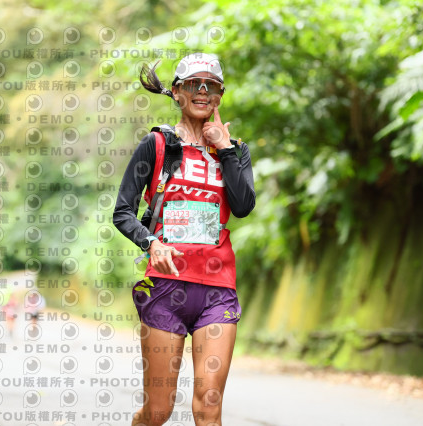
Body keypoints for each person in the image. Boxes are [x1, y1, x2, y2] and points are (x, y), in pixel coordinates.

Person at [113, 52, 256, 426]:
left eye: (212, 85)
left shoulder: (235, 150)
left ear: (220, 96)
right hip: (165, 288)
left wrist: (225, 148)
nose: (203, 91)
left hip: (217, 290)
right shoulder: (157, 144)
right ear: (177, 93)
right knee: (158, 412)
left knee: (209, 405)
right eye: (194, 83)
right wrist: (152, 243)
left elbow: (243, 206)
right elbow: (123, 211)